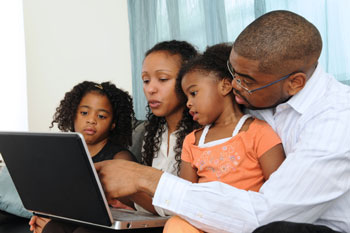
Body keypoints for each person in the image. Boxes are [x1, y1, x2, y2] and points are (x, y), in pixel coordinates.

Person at [94, 10, 350, 233]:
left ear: (295, 83)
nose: (234, 86)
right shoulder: (255, 102)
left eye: (247, 81)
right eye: (232, 73)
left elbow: (264, 217)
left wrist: (147, 179)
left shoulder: (337, 122)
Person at [40, 40, 200, 233]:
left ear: (188, 80)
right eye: (146, 80)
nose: (150, 89)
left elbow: (185, 205)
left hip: (170, 225)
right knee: (55, 227)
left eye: (163, 79)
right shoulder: (153, 134)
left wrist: (131, 185)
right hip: (147, 218)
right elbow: (147, 203)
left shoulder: (198, 136)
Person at [164, 43, 285, 232]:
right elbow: (186, 197)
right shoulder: (192, 141)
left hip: (244, 223)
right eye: (186, 97)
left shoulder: (259, 132)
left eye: (194, 93)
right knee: (176, 224)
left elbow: (280, 194)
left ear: (225, 85)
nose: (188, 103)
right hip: (204, 222)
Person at [29, 81, 136, 233]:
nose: (91, 120)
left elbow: (126, 209)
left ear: (113, 124)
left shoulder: (120, 158)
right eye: (84, 113)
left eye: (101, 116)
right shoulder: (65, 155)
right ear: (73, 114)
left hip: (110, 224)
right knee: (52, 226)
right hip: (77, 218)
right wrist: (44, 215)